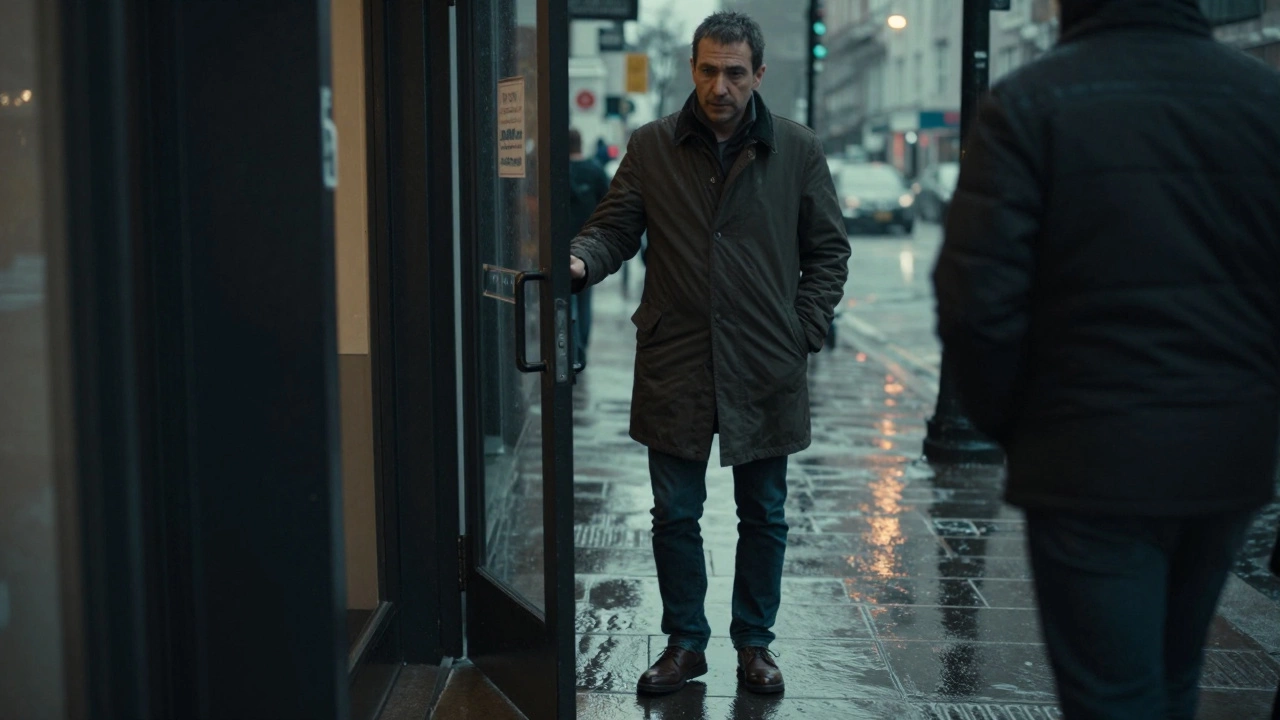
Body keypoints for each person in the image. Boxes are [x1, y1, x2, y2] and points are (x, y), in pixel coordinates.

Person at [932, 1, 1280, 718]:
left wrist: (1022, 430)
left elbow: (975, 303)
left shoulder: (1030, 101)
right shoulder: (1261, 99)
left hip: (1087, 457)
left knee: (1111, 693)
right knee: (1175, 673)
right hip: (1227, 453)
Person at [568, 11, 849, 696]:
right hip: (678, 359)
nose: (719, 86)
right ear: (692, 68)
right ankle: (686, 643)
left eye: (733, 72)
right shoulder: (653, 146)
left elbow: (828, 252)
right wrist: (578, 260)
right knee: (675, 514)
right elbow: (614, 230)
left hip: (764, 362)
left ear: (758, 73)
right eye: (707, 70)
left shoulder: (797, 150)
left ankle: (755, 645)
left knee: (766, 514)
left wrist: (799, 330)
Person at [567, 128, 610, 369]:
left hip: (561, 245)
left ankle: (571, 349)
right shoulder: (595, 171)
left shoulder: (558, 170)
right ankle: (581, 350)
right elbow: (609, 205)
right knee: (584, 300)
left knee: (565, 301)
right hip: (587, 246)